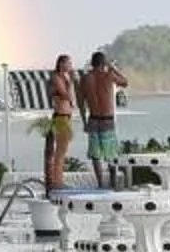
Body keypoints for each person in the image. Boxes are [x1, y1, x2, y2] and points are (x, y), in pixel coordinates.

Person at [82, 49, 129, 186]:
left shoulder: (85, 78)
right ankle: (113, 182)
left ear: (92, 63)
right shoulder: (109, 75)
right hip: (107, 119)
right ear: (104, 63)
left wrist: (85, 122)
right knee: (111, 153)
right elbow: (125, 82)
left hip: (93, 118)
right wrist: (114, 68)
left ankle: (100, 183)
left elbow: (81, 102)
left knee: (96, 154)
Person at [43, 52, 76, 191]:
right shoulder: (57, 78)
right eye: (68, 63)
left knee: (63, 150)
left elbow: (70, 98)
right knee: (60, 151)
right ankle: (57, 181)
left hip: (65, 116)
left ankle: (58, 180)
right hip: (60, 116)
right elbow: (65, 95)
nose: (71, 66)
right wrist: (70, 81)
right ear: (61, 64)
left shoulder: (63, 77)